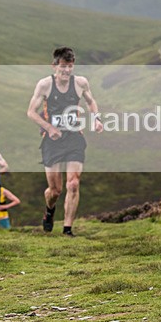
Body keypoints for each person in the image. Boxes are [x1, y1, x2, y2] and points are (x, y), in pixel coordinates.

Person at [27, 47, 103, 237]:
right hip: (52, 141)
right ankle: (49, 210)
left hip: (74, 138)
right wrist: (49, 127)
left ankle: (67, 229)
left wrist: (97, 118)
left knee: (73, 184)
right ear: (54, 66)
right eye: (63, 67)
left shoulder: (80, 83)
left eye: (70, 67)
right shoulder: (44, 85)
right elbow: (30, 112)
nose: (66, 71)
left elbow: (90, 101)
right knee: (55, 190)